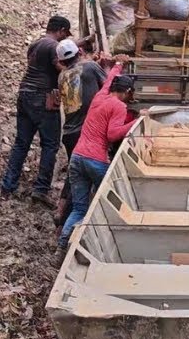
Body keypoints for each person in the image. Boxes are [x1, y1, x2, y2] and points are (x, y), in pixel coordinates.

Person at [58, 60, 139, 250]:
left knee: (79, 208)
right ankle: (97, 244)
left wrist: (118, 65)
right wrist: (136, 121)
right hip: (95, 160)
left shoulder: (100, 96)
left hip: (77, 157)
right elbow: (113, 134)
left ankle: (62, 246)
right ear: (127, 92)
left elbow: (109, 78)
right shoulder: (119, 107)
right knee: (110, 201)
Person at [1, 15, 72, 207]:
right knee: (50, 145)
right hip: (43, 98)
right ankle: (40, 190)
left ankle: (8, 185)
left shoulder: (36, 44)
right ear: (62, 31)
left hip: (25, 94)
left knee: (21, 143)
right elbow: (63, 68)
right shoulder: (53, 47)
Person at [55, 40, 109, 227]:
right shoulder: (91, 67)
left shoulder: (62, 76)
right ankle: (68, 218)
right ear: (79, 51)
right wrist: (108, 66)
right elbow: (108, 87)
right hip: (86, 131)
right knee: (83, 176)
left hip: (69, 132)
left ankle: (61, 212)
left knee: (74, 172)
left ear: (62, 60)